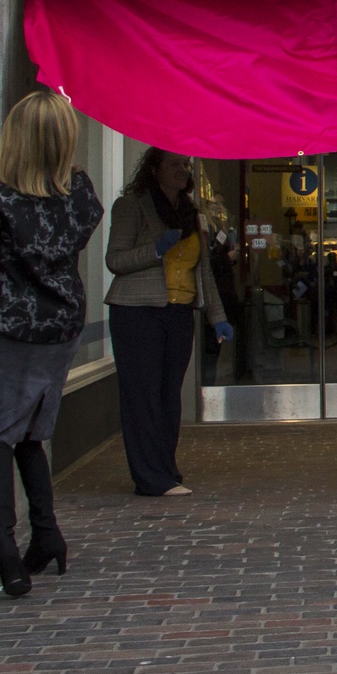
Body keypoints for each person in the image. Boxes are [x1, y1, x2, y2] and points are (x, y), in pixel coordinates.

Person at [0, 91, 104, 598]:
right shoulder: (77, 191)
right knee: (32, 431)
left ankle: (7, 552)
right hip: (61, 324)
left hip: (12, 326)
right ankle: (47, 534)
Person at [105, 148, 231, 498]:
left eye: (186, 164)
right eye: (175, 164)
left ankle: (165, 469)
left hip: (178, 314)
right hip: (137, 312)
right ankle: (149, 478)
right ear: (155, 169)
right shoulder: (132, 206)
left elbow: (203, 270)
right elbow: (114, 260)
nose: (183, 169)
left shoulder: (192, 212)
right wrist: (155, 250)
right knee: (142, 397)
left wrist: (217, 318)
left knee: (168, 397)